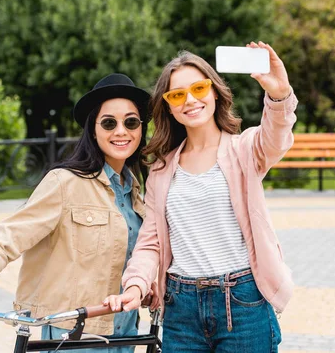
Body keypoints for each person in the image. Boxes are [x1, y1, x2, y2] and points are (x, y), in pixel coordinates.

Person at [0, 73, 159, 352]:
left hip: (125, 333)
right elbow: (13, 233)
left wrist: (144, 286)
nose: (121, 131)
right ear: (93, 129)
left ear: (141, 129)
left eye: (131, 122)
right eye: (109, 123)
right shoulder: (65, 182)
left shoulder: (136, 193)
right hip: (72, 335)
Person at [104, 42, 297, 352]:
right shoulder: (162, 169)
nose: (190, 100)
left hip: (242, 303)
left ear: (215, 91)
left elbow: (276, 136)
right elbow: (150, 241)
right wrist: (136, 284)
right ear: (168, 106)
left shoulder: (245, 149)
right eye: (177, 94)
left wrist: (279, 94)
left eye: (198, 88)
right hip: (181, 309)